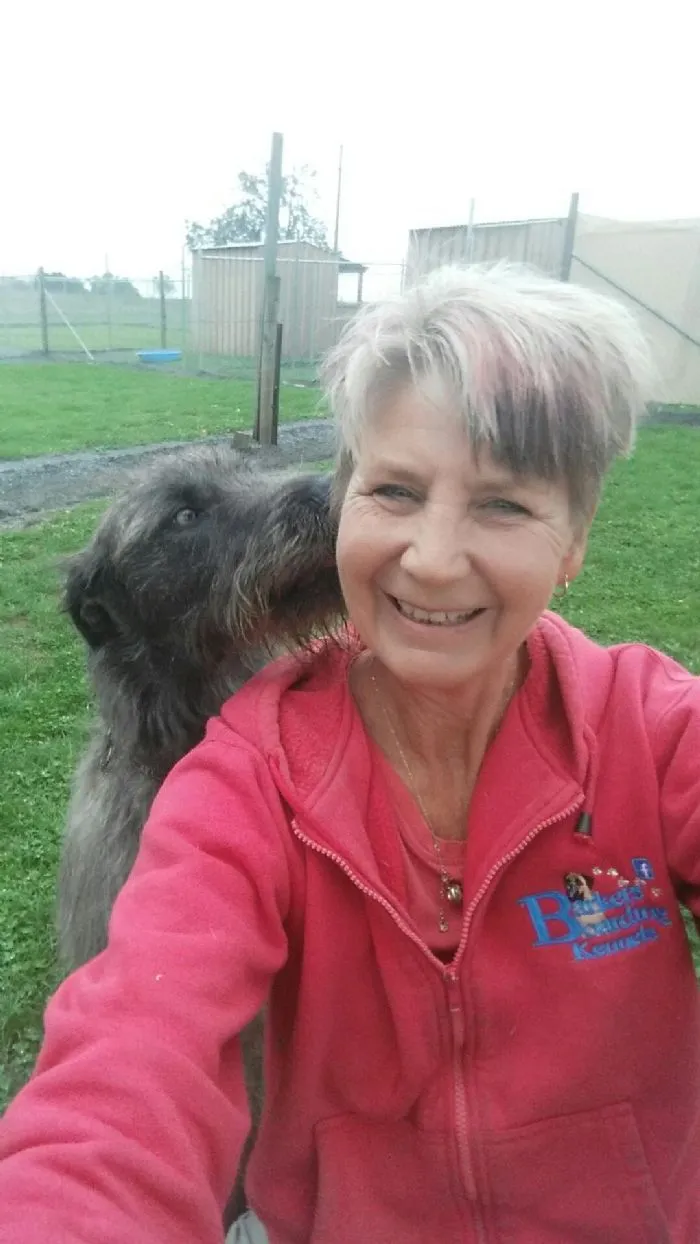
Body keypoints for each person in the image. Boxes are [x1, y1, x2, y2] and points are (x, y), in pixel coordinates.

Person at [1, 261, 699, 1244]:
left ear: (576, 537)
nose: (434, 560)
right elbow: (125, 1065)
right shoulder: (247, 775)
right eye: (395, 489)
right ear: (352, 499)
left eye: (503, 503)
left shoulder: (653, 729)